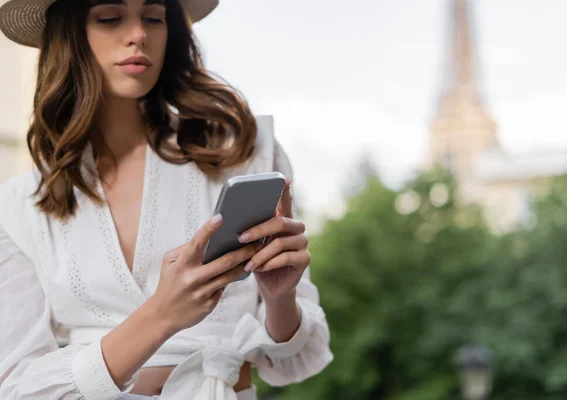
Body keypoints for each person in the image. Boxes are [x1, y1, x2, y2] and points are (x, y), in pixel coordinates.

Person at [0, 0, 333, 398]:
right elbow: (18, 387)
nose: (139, 34)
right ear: (68, 36)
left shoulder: (243, 152)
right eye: (110, 17)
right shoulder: (19, 206)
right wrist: (161, 314)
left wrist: (280, 298)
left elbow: (293, 361)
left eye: (154, 18)